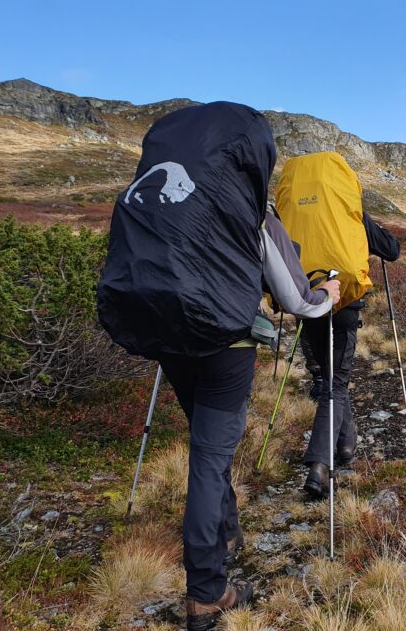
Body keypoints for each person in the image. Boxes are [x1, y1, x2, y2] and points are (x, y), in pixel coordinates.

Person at [158, 205, 340, 629]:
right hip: (227, 341)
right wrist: (326, 296)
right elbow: (295, 298)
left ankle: (226, 531)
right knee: (209, 458)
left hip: (168, 335)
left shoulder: (168, 194)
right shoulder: (249, 204)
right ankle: (206, 592)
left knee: (205, 445)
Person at [302, 210, 399, 498]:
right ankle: (320, 463)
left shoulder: (300, 209)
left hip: (309, 300)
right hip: (345, 301)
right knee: (336, 383)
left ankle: (346, 443)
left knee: (331, 376)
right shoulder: (351, 210)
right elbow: (391, 250)